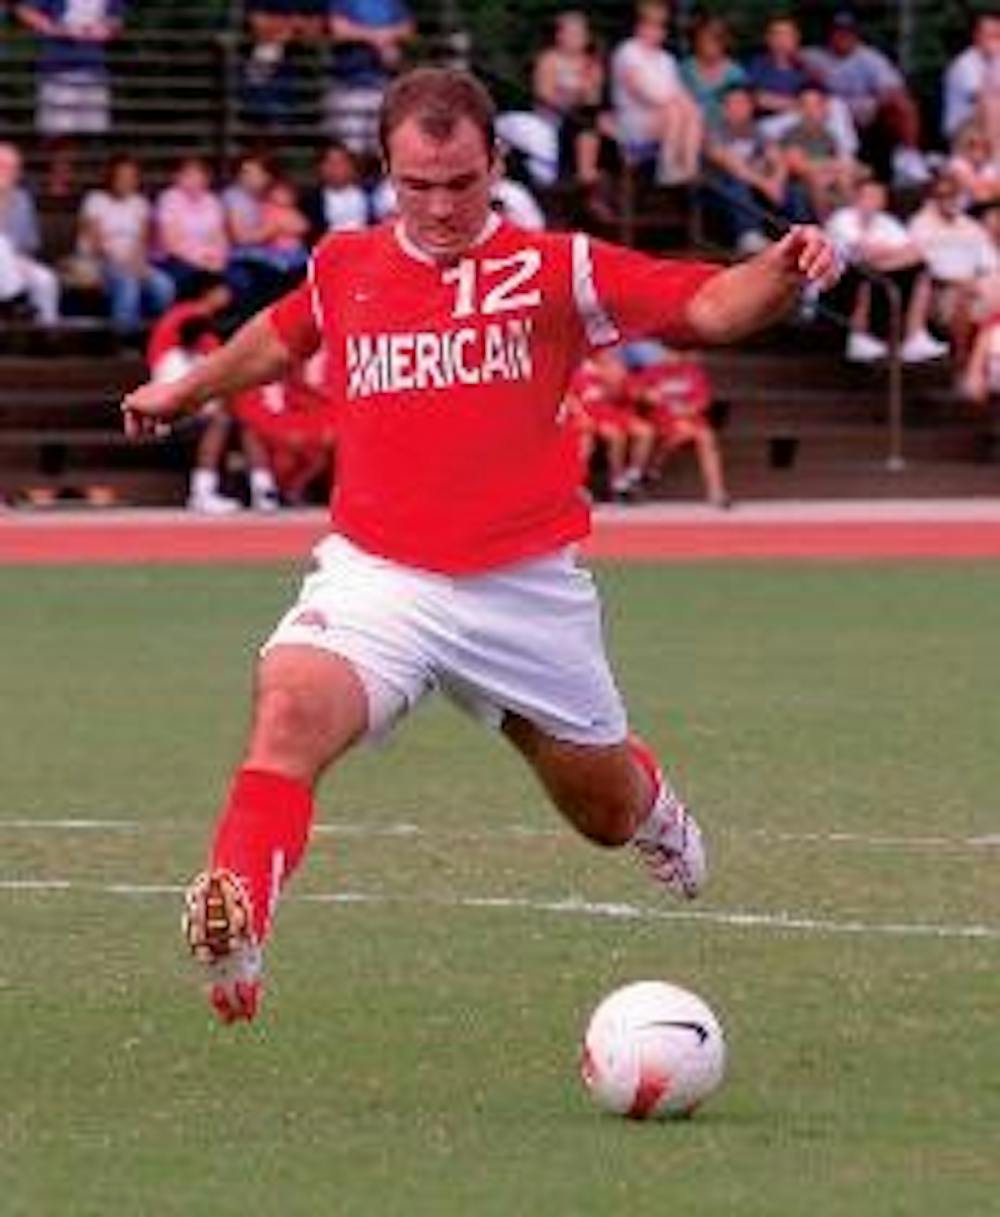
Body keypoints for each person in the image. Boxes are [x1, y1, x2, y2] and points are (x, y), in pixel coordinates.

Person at [121, 66, 840, 1024]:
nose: (443, 204)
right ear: (386, 171)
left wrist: (782, 273)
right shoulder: (346, 264)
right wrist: (188, 389)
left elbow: (707, 308)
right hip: (380, 578)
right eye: (418, 185)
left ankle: (655, 807)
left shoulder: (558, 269)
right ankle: (239, 910)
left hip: (523, 591)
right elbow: (283, 334)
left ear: (496, 162)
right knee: (289, 707)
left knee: (603, 815)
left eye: (462, 181)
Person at [147, 276, 282, 514]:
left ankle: (263, 489)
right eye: (223, 290)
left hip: (194, 398)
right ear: (209, 292)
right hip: (172, 405)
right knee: (221, 418)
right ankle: (202, 492)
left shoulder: (193, 330)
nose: (227, 295)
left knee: (245, 419)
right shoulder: (186, 323)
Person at [825, 178, 948, 364]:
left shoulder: (888, 222)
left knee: (921, 268)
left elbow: (915, 252)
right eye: (868, 196)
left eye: (878, 197)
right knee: (864, 270)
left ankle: (914, 336)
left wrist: (882, 256)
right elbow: (862, 253)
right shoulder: (841, 219)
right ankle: (859, 337)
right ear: (856, 198)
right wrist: (889, 255)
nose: (873, 201)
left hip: (880, 280)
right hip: (838, 287)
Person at [802, 10, 928, 186]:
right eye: (838, 33)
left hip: (867, 110)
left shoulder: (869, 58)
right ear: (830, 35)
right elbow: (791, 62)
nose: (843, 38)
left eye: (848, 33)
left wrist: (873, 104)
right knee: (834, 106)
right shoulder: (813, 57)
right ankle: (846, 163)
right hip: (830, 111)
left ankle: (909, 158)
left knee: (903, 105)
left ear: (856, 35)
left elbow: (894, 89)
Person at [78, 154, 175, 337]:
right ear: (111, 178)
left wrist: (136, 262)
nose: (126, 181)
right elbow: (95, 241)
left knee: (163, 284)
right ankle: (123, 337)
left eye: (131, 177)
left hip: (132, 260)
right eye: (122, 176)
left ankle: (152, 335)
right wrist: (119, 262)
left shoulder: (140, 203)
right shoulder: (95, 200)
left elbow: (142, 241)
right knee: (127, 283)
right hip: (100, 261)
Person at [624, 342, 731, 508]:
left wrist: (689, 409)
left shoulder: (693, 373)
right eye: (670, 352)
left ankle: (717, 492)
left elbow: (703, 401)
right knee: (680, 433)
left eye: (677, 353)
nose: (673, 356)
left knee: (706, 437)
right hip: (662, 420)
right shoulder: (654, 371)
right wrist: (646, 395)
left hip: (690, 420)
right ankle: (652, 468)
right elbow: (632, 389)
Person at [609, 1, 703, 184]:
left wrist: (688, 105)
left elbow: (679, 90)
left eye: (660, 27)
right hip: (635, 118)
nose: (656, 32)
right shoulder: (628, 52)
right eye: (650, 26)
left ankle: (688, 167)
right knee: (674, 111)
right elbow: (639, 91)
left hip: (665, 115)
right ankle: (667, 168)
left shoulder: (666, 59)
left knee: (693, 112)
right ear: (639, 27)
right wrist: (672, 102)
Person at [563, 348, 657, 500]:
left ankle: (633, 475)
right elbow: (569, 396)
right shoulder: (579, 369)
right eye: (604, 352)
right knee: (614, 435)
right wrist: (581, 414)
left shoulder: (615, 369)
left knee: (645, 431)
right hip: (591, 415)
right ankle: (616, 480)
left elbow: (629, 392)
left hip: (614, 413)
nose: (608, 354)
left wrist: (620, 383)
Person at [325, 0, 416, 155]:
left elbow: (408, 29)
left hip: (386, 87)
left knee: (383, 148)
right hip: (351, 87)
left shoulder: (393, 3)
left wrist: (380, 38)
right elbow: (338, 28)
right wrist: (378, 39)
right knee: (352, 149)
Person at [531, 10, 606, 189]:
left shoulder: (591, 63)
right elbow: (544, 95)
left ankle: (592, 178)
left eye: (581, 33)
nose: (578, 38)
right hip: (554, 118)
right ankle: (586, 175)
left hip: (582, 116)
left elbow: (594, 97)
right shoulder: (548, 60)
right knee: (587, 119)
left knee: (595, 118)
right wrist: (575, 95)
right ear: (560, 35)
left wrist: (575, 93)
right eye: (573, 33)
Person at [0, 142, 60, 324]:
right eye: (3, 166)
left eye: (13, 168)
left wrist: (22, 260)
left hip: (17, 265)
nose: (8, 172)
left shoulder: (23, 200)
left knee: (46, 279)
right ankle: (14, 301)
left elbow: (30, 243)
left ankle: (47, 332)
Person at [155, 156, 231, 297]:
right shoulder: (169, 199)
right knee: (197, 279)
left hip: (210, 260)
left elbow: (220, 237)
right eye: (188, 175)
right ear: (177, 177)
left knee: (237, 278)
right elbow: (171, 243)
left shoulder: (212, 200)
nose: (194, 179)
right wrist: (200, 261)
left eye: (198, 174)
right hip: (177, 260)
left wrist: (218, 258)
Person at [679, 14, 747, 134]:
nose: (710, 46)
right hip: (690, 133)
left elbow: (742, 113)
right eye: (704, 39)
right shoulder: (686, 69)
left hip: (726, 137)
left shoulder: (735, 73)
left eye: (716, 39)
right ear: (696, 41)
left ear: (725, 42)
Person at [943, 13, 1000, 148]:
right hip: (965, 129)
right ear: (977, 36)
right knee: (992, 104)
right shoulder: (965, 63)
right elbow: (983, 96)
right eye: (991, 35)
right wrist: (992, 65)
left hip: (990, 123)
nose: (996, 41)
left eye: (998, 35)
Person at [300, 142, 371, 242]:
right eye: (330, 162)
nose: (335, 168)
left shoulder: (370, 194)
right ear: (320, 168)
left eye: (341, 162)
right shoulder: (310, 201)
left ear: (352, 166)